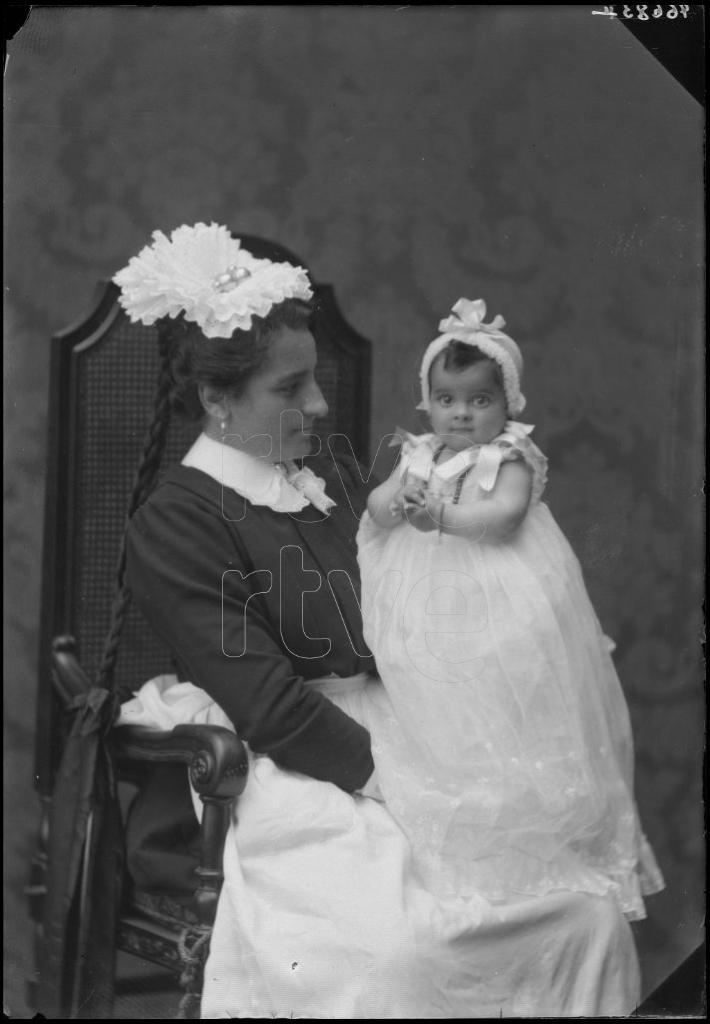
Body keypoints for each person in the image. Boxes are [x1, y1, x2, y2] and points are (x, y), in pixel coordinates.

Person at [113, 227, 645, 1018]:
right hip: (291, 768)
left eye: (315, 381)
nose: (321, 405)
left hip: (400, 727)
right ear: (217, 400)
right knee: (408, 951)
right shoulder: (177, 523)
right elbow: (268, 705)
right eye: (290, 390)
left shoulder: (322, 477)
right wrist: (414, 784)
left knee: (583, 913)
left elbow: (410, 614)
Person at [357, 297, 665, 918]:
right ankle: (457, 822)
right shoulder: (419, 452)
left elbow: (503, 518)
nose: (462, 414)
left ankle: (521, 840)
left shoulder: (512, 457)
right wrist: (401, 501)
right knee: (435, 699)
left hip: (498, 593)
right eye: (447, 400)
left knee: (503, 696)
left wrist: (442, 514)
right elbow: (376, 505)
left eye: (479, 400)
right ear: (427, 401)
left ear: (509, 403)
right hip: (426, 596)